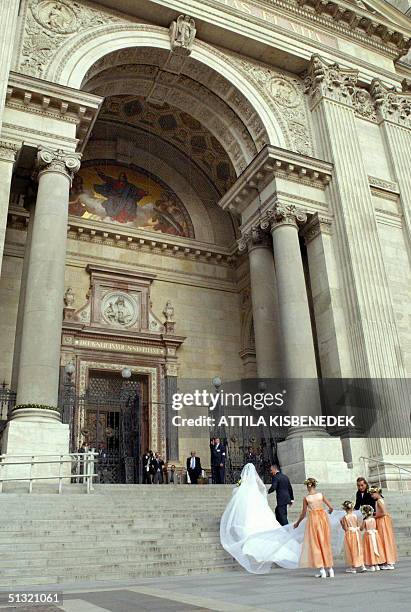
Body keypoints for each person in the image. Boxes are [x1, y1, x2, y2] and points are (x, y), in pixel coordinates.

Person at [293, 477, 334, 578]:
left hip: (314, 521)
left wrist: (297, 522)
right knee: (325, 543)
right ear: (315, 485)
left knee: (316, 544)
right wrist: (327, 511)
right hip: (323, 520)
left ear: (308, 486)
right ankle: (330, 569)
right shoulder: (320, 495)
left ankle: (322, 570)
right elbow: (331, 507)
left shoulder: (306, 498)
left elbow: (303, 514)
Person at [370, 486, 397, 570]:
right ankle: (387, 561)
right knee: (385, 540)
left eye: (372, 494)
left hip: (382, 522)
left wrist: (375, 517)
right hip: (384, 520)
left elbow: (384, 512)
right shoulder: (380, 500)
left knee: (384, 540)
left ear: (377, 493)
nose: (371, 496)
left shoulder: (378, 501)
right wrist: (376, 513)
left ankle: (389, 562)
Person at [340, 500, 365, 573]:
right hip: (356, 533)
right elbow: (358, 525)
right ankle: (362, 565)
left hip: (350, 534)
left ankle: (353, 567)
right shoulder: (355, 515)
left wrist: (341, 524)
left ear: (345, 509)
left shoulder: (345, 517)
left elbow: (345, 528)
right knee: (358, 548)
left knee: (351, 549)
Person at [361, 504, 385, 571]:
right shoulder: (373, 519)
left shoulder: (365, 521)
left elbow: (361, 528)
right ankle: (377, 565)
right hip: (375, 534)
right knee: (376, 548)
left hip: (368, 536)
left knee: (370, 549)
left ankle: (372, 565)